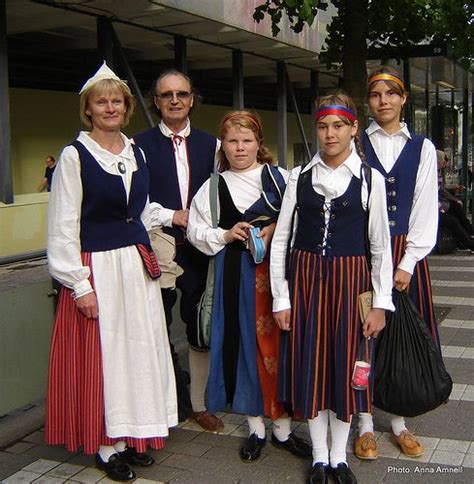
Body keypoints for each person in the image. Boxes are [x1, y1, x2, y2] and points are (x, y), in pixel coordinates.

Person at [45, 62, 177, 482]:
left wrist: (178, 216)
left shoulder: (134, 150)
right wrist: (78, 284)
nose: (109, 107)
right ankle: (106, 445)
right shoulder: (75, 155)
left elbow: (139, 210)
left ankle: (131, 435)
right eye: (100, 101)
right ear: (88, 108)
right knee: (108, 357)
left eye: (116, 100)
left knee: (138, 352)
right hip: (98, 267)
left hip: (135, 268)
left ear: (126, 106)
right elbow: (63, 225)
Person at [271, 94, 394, 484]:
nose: (329, 134)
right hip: (306, 283)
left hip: (351, 284)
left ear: (354, 128)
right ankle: (319, 457)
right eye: (323, 126)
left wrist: (380, 304)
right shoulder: (299, 177)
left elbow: (380, 247)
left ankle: (339, 456)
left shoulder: (369, 180)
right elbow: (281, 242)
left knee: (345, 368)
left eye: (338, 126)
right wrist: (281, 296)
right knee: (312, 367)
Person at [187, 111, 311, 463]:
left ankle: (284, 431)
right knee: (243, 347)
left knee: (281, 347)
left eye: (247, 140)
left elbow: (306, 216)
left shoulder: (281, 178)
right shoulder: (211, 187)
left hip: (277, 277)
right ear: (222, 146)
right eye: (232, 141)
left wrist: (276, 231)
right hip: (234, 277)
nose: (240, 148)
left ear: (259, 143)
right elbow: (195, 231)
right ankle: (256, 428)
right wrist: (224, 234)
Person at [357, 66, 440, 460]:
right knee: (362, 336)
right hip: (362, 251)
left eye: (391, 94)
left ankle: (400, 422)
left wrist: (407, 262)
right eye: (376, 95)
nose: (384, 101)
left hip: (406, 252)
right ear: (369, 101)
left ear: (403, 99)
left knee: (403, 338)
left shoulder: (422, 146)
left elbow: (425, 207)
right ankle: (364, 424)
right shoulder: (356, 143)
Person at [133, 70, 223, 432]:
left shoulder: (212, 145)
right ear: (156, 102)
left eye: (181, 94)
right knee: (154, 327)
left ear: (191, 99)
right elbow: (134, 201)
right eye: (166, 94)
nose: (174, 100)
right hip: (157, 249)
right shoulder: (137, 145)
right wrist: (174, 215)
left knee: (198, 327)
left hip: (200, 252)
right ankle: (163, 404)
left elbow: (224, 192)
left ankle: (198, 404)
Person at [437, 150, 474, 253]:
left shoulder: (437, 172)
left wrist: (455, 198)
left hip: (437, 206)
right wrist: (441, 209)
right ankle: (469, 240)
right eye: (444, 161)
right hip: (434, 208)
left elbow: (440, 189)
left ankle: (469, 235)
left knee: (456, 211)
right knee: (453, 220)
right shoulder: (432, 173)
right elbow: (435, 192)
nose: (445, 164)